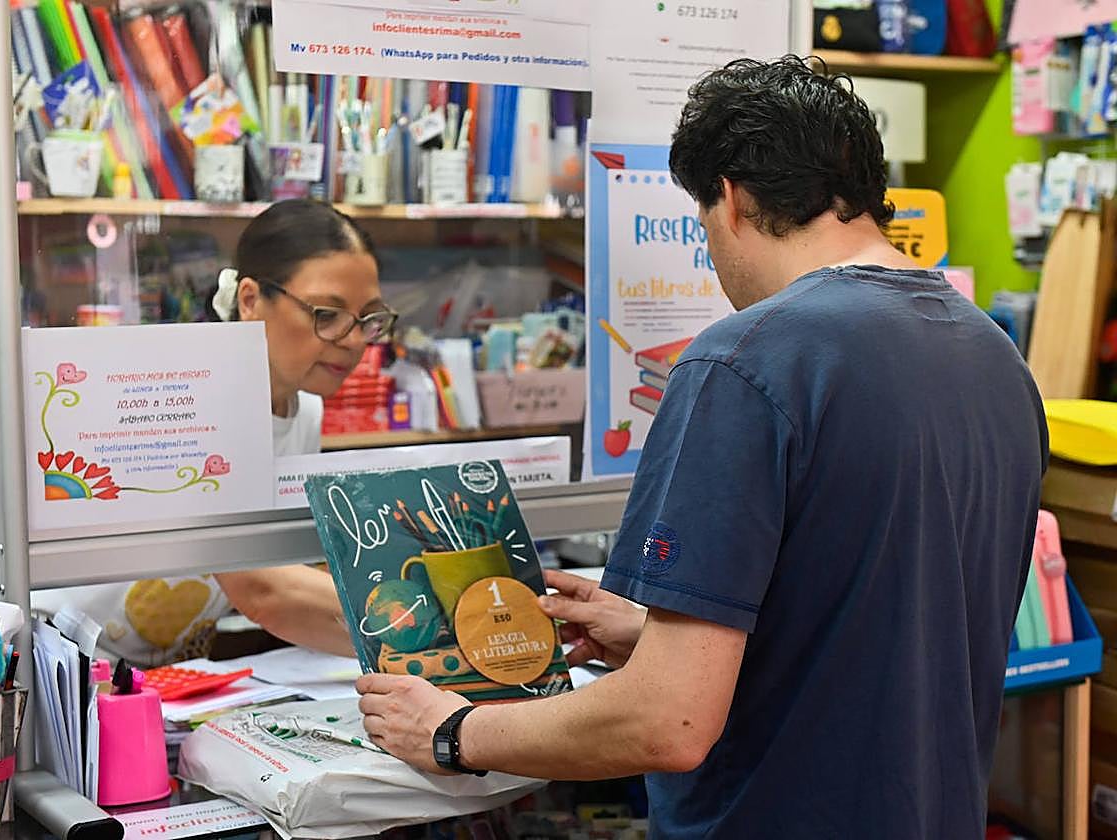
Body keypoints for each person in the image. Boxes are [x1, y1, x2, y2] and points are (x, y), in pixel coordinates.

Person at [356, 57, 1049, 838]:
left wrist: (451, 733)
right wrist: (660, 636)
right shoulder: (994, 356)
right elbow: (872, 618)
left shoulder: (746, 361)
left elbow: (668, 724)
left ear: (731, 199)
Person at [34, 200, 396, 667]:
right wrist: (419, 629)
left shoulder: (305, 410)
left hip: (163, 673)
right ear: (250, 300)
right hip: (64, 663)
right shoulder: (190, 400)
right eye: (327, 314)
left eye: (368, 318)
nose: (353, 340)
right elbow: (262, 587)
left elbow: (287, 567)